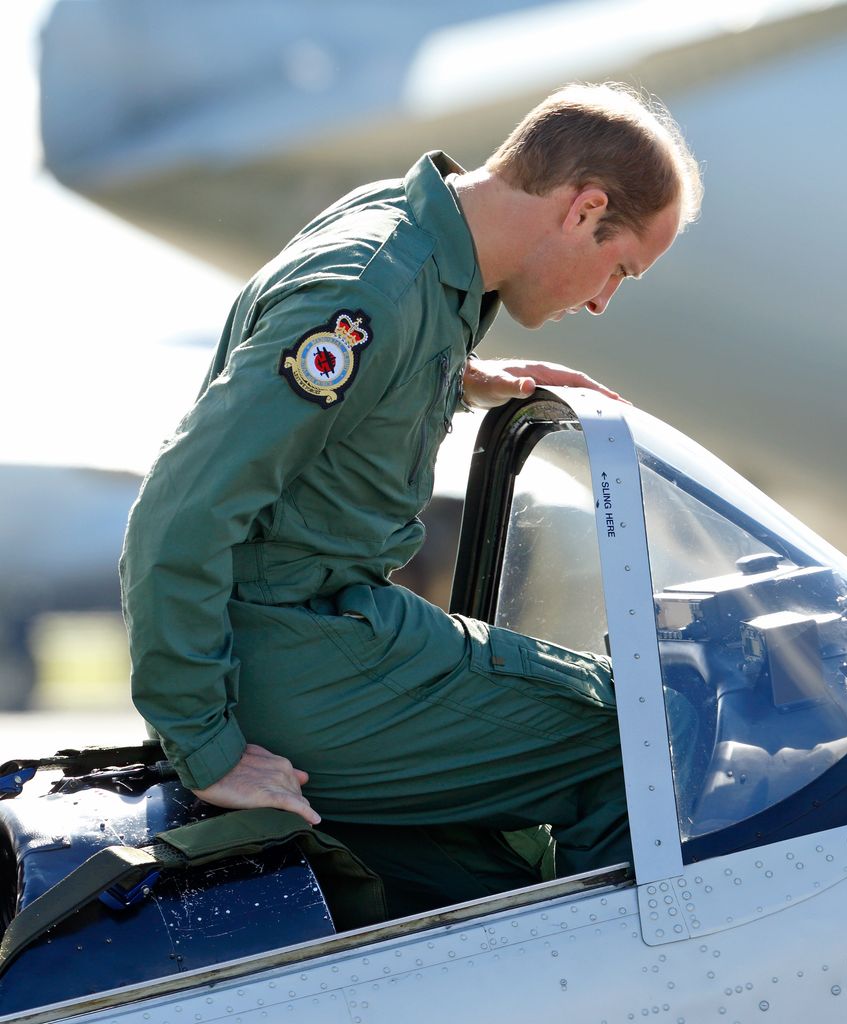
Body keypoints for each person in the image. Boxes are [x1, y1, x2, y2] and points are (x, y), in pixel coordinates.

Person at [120, 82, 702, 914]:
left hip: (307, 640)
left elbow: (353, 391)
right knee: (647, 740)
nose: (603, 299)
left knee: (483, 888)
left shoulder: (420, 252)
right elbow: (179, 512)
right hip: (291, 653)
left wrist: (461, 380)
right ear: (582, 210)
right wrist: (206, 747)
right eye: (619, 267)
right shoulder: (369, 293)